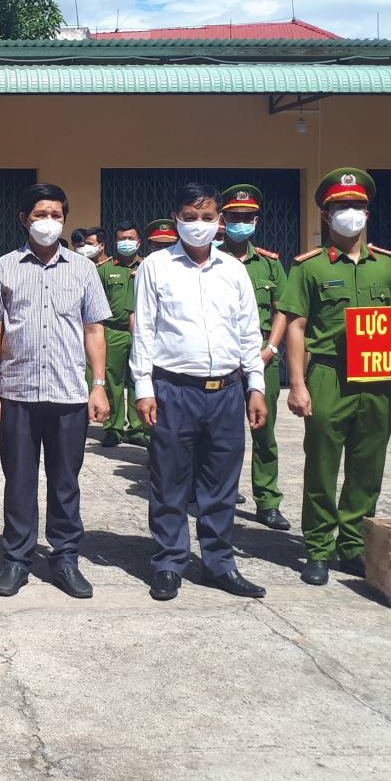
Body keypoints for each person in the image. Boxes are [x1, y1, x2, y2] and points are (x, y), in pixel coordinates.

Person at [131, 182, 268, 602]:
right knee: (170, 482)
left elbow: (249, 331)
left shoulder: (234, 270)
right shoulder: (156, 266)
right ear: (176, 220)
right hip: (175, 389)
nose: (198, 225)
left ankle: (218, 563)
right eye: (190, 218)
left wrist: (256, 385)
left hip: (227, 392)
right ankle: (170, 562)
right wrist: (143, 387)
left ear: (220, 222)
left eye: (207, 218)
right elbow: (145, 330)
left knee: (221, 484)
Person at [281, 167, 391, 586]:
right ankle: (318, 548)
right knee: (321, 465)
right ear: (325, 214)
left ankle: (352, 545)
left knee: (367, 466)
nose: (349, 213)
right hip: (328, 376)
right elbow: (297, 327)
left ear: (368, 211)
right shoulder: (310, 267)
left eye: (356, 205)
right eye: (340, 207)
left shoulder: (386, 267)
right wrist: (298, 383)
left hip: (375, 381)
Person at [0, 183, 111, 599]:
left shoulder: (84, 270)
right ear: (24, 219)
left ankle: (65, 557)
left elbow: (94, 329)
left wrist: (100, 386)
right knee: (18, 479)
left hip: (69, 393)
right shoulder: (4, 267)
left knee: (65, 479)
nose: (48, 222)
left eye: (56, 215)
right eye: (40, 215)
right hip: (17, 391)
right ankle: (16, 559)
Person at [220, 183, 291, 530]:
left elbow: (283, 310)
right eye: (234, 217)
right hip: (224, 360)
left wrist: (271, 349)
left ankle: (267, 499)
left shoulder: (270, 264)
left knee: (264, 430)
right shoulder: (211, 259)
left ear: (256, 220)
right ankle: (223, 493)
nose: (241, 222)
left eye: (247, 217)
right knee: (224, 432)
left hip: (264, 356)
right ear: (223, 219)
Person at [97, 223, 146, 448]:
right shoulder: (105, 269)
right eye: (122, 239)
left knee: (140, 379)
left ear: (139, 242)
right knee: (112, 381)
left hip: (142, 334)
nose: (126, 242)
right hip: (114, 332)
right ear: (116, 243)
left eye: (130, 238)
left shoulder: (148, 266)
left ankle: (137, 427)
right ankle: (113, 428)